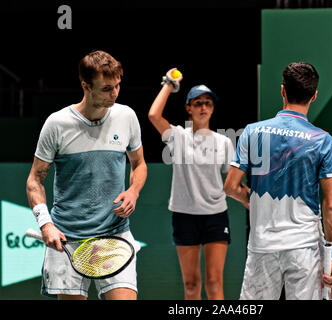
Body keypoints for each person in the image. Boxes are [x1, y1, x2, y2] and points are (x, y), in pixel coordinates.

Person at [25, 50, 147, 300]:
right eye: (106, 88)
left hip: (114, 235)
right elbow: (34, 180)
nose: (114, 93)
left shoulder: (126, 117)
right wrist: (45, 224)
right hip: (67, 238)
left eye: (118, 86)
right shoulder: (57, 124)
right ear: (85, 86)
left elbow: (139, 164)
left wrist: (133, 191)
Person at [224, 62, 332, 300]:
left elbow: (230, 187)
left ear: (282, 91)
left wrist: (253, 202)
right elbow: (331, 205)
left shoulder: (252, 132)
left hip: (262, 246)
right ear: (314, 95)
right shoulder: (323, 140)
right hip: (304, 248)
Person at [148, 69, 236, 300]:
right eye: (197, 103)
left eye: (207, 103)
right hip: (184, 215)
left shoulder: (225, 142)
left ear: (213, 108)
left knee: (214, 284)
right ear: (188, 108)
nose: (203, 108)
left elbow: (232, 183)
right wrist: (169, 84)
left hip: (216, 216)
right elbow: (153, 115)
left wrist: (249, 200)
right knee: (191, 284)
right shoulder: (178, 136)